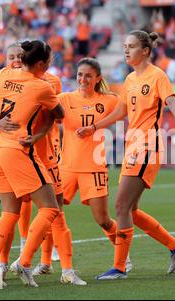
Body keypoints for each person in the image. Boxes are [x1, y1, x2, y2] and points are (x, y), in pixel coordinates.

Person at [77, 30, 175, 280]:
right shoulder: (129, 79)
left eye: (131, 46)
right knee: (131, 210)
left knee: (120, 206)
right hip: (133, 146)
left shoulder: (157, 76)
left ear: (146, 51)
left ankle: (119, 268)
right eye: (125, 46)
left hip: (148, 146)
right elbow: (120, 112)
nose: (126, 50)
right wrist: (94, 127)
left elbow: (172, 102)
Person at [0, 40, 66, 290]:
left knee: (9, 213)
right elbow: (59, 114)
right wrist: (38, 135)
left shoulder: (5, 77)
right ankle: (24, 263)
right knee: (50, 208)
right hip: (17, 149)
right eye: (48, 62)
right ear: (40, 63)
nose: (49, 66)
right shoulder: (42, 86)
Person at [32, 57, 132, 275]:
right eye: (79, 74)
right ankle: (46, 262)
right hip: (65, 167)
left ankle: (123, 254)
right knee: (49, 213)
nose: (82, 79)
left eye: (88, 75)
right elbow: (40, 108)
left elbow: (127, 110)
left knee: (103, 220)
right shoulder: (65, 98)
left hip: (94, 168)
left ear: (97, 78)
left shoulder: (109, 100)